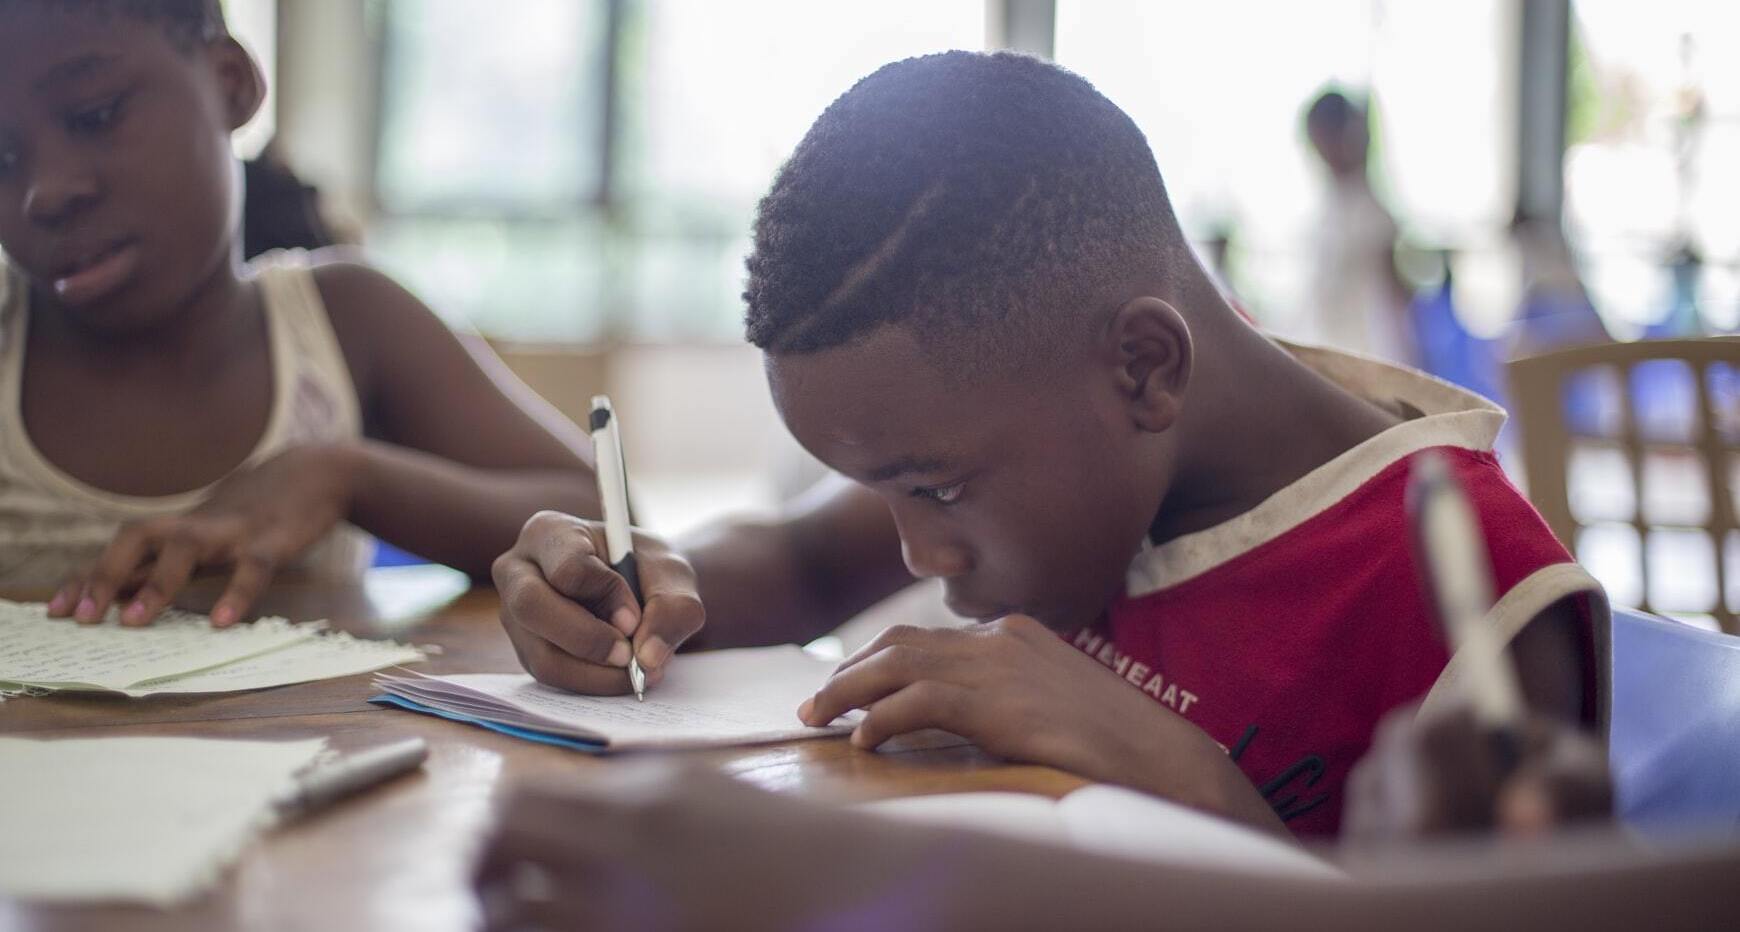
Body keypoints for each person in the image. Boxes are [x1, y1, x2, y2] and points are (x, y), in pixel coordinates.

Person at [492, 51, 1609, 839]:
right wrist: (637, 581)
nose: (919, 554)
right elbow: (801, 562)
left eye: (935, 486)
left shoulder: (1476, 597)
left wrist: (1188, 778)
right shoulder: (1074, 438)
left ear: (1142, 368)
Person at [0, 0, 598, 625]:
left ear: (229, 83)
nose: (46, 192)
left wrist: (346, 478)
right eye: (1, 158)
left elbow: (610, 524)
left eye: (95, 114)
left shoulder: (346, 323)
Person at [1303, 88, 1417, 365]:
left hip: (1370, 356)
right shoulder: (1328, 206)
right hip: (1330, 352)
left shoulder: (1371, 210)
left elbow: (1396, 298)